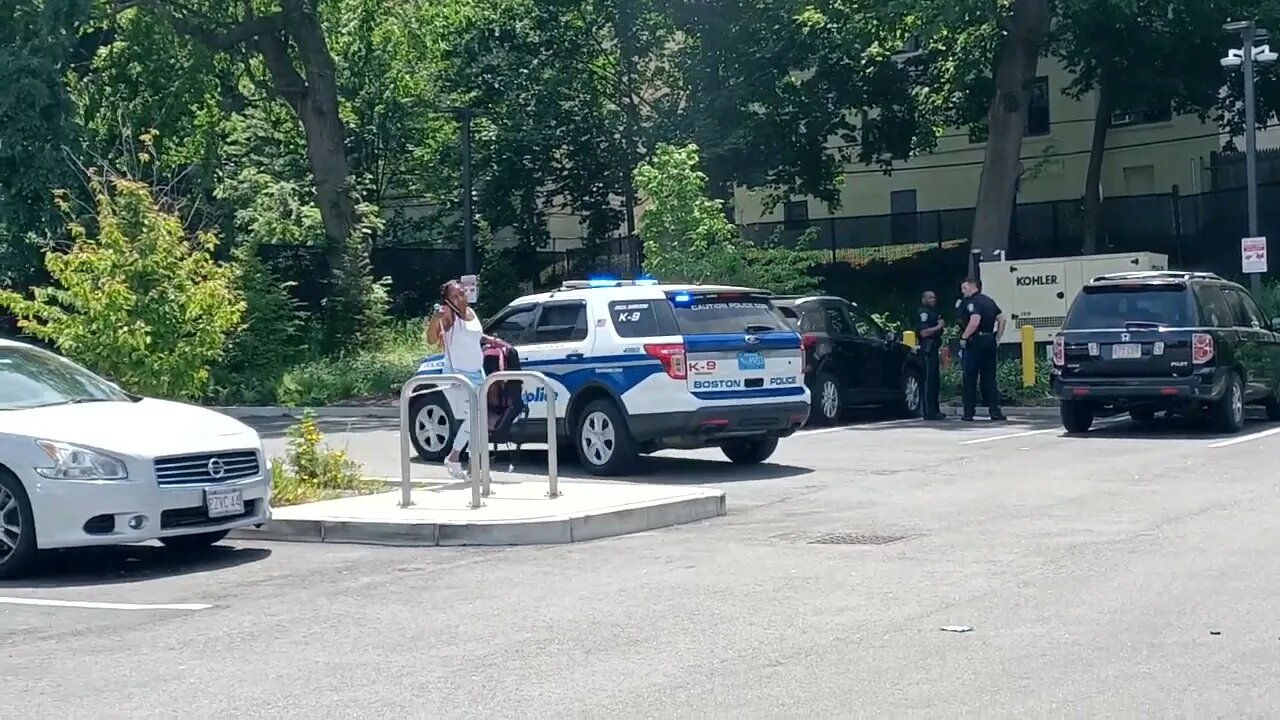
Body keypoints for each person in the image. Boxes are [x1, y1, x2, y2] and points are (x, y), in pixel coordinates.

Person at [426, 279, 508, 479]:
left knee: (479, 419)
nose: (460, 298)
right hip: (457, 375)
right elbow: (431, 339)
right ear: (447, 299)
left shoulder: (471, 313)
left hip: (477, 372)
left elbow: (475, 335)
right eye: (455, 295)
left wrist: (491, 340)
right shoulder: (448, 316)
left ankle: (473, 465)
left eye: (462, 293)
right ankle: (454, 456)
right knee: (473, 416)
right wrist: (436, 320)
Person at [957, 278, 1007, 422]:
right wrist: (997, 337)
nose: (963, 291)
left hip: (975, 343)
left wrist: (964, 337)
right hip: (989, 341)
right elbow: (1002, 319)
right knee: (990, 379)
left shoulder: (973, 302)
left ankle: (968, 413)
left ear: (973, 288)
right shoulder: (989, 301)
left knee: (970, 378)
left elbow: (975, 321)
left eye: (964, 288)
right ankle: (994, 411)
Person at [914, 290, 946, 421]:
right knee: (929, 381)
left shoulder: (933, 312)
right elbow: (923, 333)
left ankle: (935, 410)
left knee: (935, 382)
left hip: (933, 349)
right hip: (927, 350)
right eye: (931, 298)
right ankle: (928, 411)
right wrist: (939, 326)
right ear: (924, 299)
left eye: (934, 297)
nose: (934, 299)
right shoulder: (924, 313)